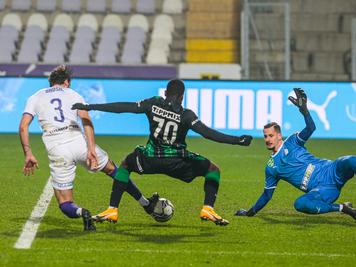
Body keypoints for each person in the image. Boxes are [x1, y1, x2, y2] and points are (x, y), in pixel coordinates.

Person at [72, 79, 253, 226]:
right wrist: (236, 140)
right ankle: (208, 208)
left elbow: (125, 107)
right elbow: (207, 133)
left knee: (126, 164)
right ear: (182, 97)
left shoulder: (153, 103)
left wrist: (91, 106)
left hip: (149, 158)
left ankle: (112, 209)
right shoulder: (187, 115)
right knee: (213, 169)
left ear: (165, 92)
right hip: (177, 162)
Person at [19, 65, 157, 231]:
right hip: (78, 141)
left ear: (51, 82)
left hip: (57, 148)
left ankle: (82, 212)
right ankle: (145, 203)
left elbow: (23, 127)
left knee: (65, 203)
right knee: (115, 171)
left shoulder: (36, 96)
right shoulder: (73, 94)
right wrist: (90, 148)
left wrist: (28, 153)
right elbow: (86, 121)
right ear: (66, 82)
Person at [235, 88, 356, 221]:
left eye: (271, 135)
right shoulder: (271, 168)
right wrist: (249, 213)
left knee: (352, 160)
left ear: (279, 136)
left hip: (331, 170)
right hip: (322, 190)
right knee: (300, 204)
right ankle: (342, 208)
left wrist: (304, 111)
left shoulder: (293, 141)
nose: (267, 139)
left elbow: (311, 127)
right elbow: (267, 195)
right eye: (265, 136)